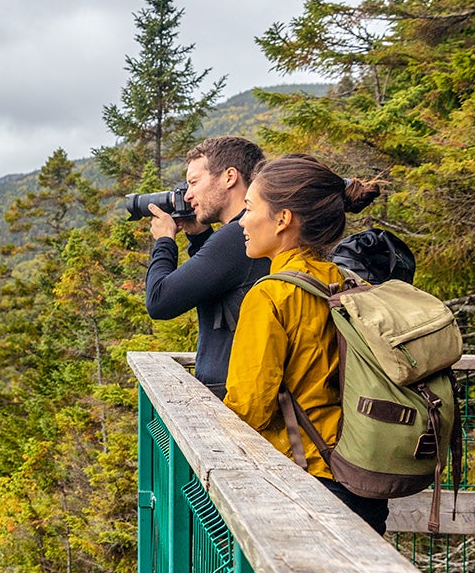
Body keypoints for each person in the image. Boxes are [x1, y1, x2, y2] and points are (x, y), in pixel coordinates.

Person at [222, 153, 385, 532]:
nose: (242, 222)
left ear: (282, 219)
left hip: (305, 477)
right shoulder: (351, 284)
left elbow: (248, 409)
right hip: (363, 474)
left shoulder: (271, 297)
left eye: (249, 209)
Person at [143, 136, 271, 396]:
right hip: (241, 393)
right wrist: (199, 236)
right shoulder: (249, 234)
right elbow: (222, 284)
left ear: (229, 177)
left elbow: (159, 301)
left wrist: (165, 241)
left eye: (194, 182)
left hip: (234, 405)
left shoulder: (237, 236)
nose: (188, 195)